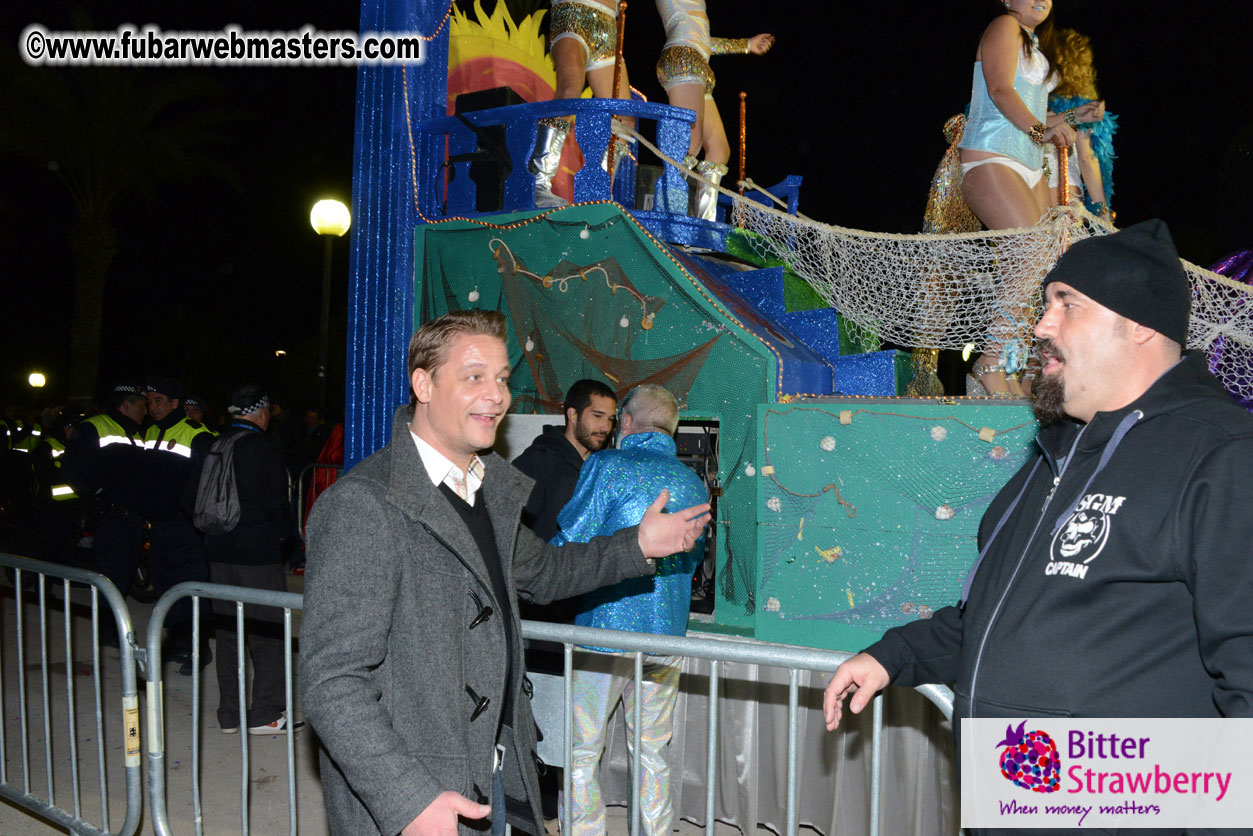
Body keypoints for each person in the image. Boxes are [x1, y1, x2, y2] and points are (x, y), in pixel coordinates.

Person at [823, 221, 1253, 826]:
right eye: (1045, 302)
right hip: (1011, 800)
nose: (1041, 326)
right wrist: (895, 656)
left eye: (1067, 304)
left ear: (1141, 326)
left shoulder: (1221, 455)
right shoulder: (1053, 453)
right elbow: (1002, 615)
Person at [299, 310, 710, 836]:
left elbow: (549, 572)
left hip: (496, 774)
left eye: (501, 378)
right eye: (474, 377)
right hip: (420, 791)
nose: (497, 395)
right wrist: (407, 799)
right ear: (423, 384)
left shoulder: (490, 489)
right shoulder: (363, 504)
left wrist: (637, 545)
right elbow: (333, 681)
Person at [554, 383, 708, 836]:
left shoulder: (607, 465)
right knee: (652, 750)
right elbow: (693, 561)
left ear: (625, 422)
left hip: (604, 632)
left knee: (582, 750)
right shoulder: (692, 481)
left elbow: (571, 544)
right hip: (665, 636)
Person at [957, 0, 1098, 396]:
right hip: (992, 154)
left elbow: (1037, 115)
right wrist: (1042, 132)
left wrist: (1068, 121)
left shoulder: (1033, 42)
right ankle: (988, 363)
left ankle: (1008, 368)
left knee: (1037, 266)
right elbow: (1001, 91)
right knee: (1032, 253)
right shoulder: (1003, 25)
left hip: (1030, 164)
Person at [187, 384, 303, 735]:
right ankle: (264, 714)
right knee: (267, 632)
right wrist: (291, 537)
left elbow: (188, 498)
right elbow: (274, 503)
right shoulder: (265, 448)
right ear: (261, 411)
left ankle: (230, 715)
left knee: (228, 633)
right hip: (258, 552)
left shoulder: (210, 444)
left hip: (218, 550)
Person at [654, 0, 773, 220]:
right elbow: (685, 32)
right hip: (683, 59)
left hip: (698, 62)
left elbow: (701, 39)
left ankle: (704, 223)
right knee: (690, 144)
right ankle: (670, 216)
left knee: (719, 150)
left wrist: (746, 45)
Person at [61, 382, 149, 635]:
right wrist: (98, 493)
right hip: (111, 515)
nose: (144, 411)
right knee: (111, 574)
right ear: (125, 406)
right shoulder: (94, 427)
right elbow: (72, 468)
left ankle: (114, 627)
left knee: (125, 571)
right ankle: (108, 632)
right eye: (141, 406)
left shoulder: (135, 431)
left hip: (132, 514)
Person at [142, 376, 216, 675]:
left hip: (186, 527)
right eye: (149, 401)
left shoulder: (196, 434)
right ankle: (178, 642)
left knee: (191, 588)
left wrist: (191, 519)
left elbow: (205, 483)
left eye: (158, 400)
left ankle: (200, 648)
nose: (152, 406)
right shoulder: (149, 431)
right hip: (159, 524)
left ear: (175, 403)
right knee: (165, 586)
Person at [529, 0, 633, 207]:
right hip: (573, 15)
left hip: (607, 27)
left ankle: (598, 195)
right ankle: (538, 182)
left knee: (625, 121)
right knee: (569, 91)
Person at [513, 378, 617, 543]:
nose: (605, 427)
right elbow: (507, 530)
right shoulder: (535, 463)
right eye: (597, 416)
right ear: (573, 415)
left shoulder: (606, 467)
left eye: (611, 419)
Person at [1045, 28, 1116, 222]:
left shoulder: (1031, 102)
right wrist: (1103, 212)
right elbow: (1086, 159)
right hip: (1064, 191)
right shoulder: (1079, 107)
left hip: (1026, 191)